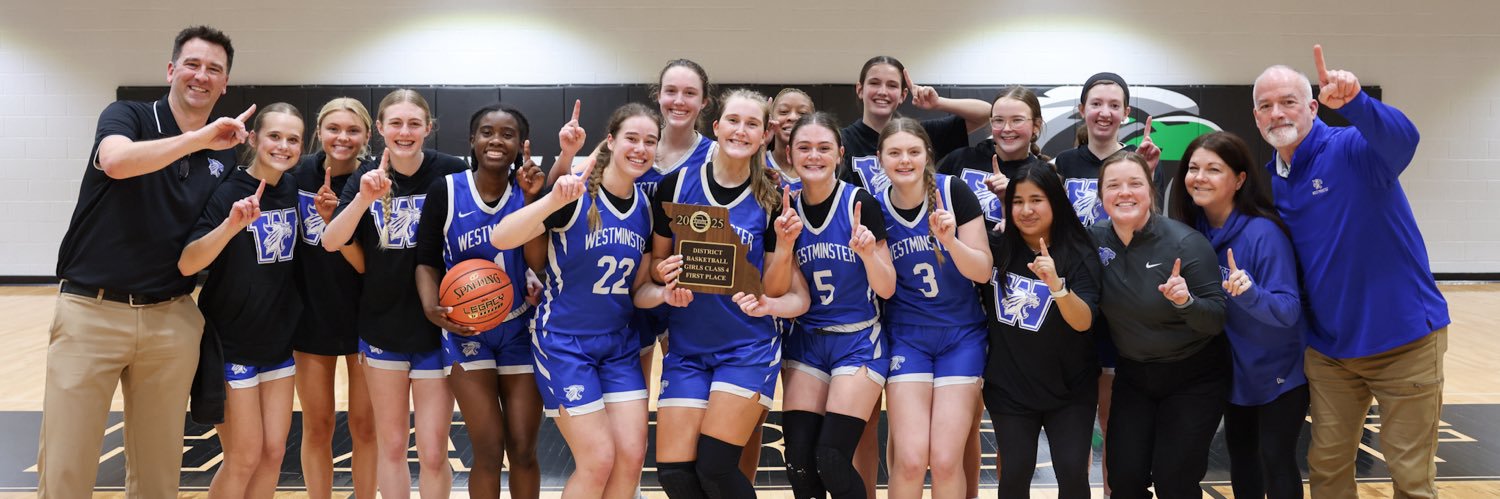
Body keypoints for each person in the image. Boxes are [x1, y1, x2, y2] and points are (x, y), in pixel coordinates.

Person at [41, 25, 250, 498]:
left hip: (171, 317)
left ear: (224, 84)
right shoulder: (128, 115)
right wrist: (197, 140)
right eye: (192, 65)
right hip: (91, 314)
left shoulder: (227, 154)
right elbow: (117, 162)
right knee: (66, 468)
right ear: (171, 70)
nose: (202, 76)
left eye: (214, 70)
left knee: (158, 475)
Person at [1253, 45, 1449, 499]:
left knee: (1411, 475)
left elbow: (1405, 139)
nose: (1277, 113)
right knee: (1326, 467)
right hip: (1330, 352)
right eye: (1266, 106)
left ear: (1313, 107)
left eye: (1288, 102)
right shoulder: (1277, 178)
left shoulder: (1353, 149)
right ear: (1256, 116)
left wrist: (1359, 102)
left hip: (1404, 343)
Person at [494, 102, 678, 499]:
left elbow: (638, 291)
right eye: (631, 138)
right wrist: (551, 200)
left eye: (650, 141)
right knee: (597, 460)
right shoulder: (574, 193)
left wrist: (666, 294)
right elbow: (502, 237)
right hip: (564, 342)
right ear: (610, 141)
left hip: (618, 345)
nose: (640, 148)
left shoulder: (646, 209)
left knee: (631, 457)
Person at [649, 88, 809, 499]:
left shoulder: (774, 196)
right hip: (687, 348)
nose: (741, 131)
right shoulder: (676, 184)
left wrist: (787, 245)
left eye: (752, 124)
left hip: (747, 347)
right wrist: (664, 272)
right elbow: (655, 263)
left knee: (716, 469)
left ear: (766, 134)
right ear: (716, 127)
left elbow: (774, 289)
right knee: (675, 474)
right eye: (733, 121)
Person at [321, 89, 469, 499]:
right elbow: (332, 241)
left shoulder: (452, 171)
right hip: (382, 326)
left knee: (435, 451)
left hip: (436, 327)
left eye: (414, 123)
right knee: (392, 447)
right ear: (381, 129)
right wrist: (363, 199)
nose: (405, 132)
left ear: (428, 128)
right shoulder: (365, 176)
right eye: (396, 124)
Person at [412, 103, 548, 499]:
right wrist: (429, 308)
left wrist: (533, 200)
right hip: (466, 328)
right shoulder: (448, 189)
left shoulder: (529, 192)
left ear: (522, 146)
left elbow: (537, 262)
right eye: (487, 132)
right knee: (487, 450)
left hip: (519, 326)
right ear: (472, 140)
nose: (496, 140)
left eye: (507, 134)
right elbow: (426, 259)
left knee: (523, 449)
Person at [1169, 131, 1308, 499]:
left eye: (1213, 169)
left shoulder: (1263, 232)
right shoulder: (1191, 229)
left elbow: (1289, 311)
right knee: (1242, 459)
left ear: (1240, 179)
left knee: (1275, 459)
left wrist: (1249, 294)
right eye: (1193, 168)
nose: (1199, 177)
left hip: (1277, 371)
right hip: (1230, 370)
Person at [178, 102, 306, 499]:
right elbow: (187, 263)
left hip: (278, 343)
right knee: (244, 456)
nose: (282, 146)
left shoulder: (294, 188)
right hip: (230, 342)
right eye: (274, 136)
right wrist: (231, 226)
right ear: (253, 138)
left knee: (272, 453)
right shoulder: (227, 192)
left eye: (293, 139)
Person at [1088, 151, 1228, 499]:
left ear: (1150, 191)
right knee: (1124, 480)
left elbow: (1215, 319)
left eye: (1135, 183)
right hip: (1134, 376)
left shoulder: (1186, 244)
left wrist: (1186, 302)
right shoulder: (1093, 240)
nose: (1124, 192)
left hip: (1193, 376)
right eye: (1113, 185)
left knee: (1174, 481)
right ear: (1100, 194)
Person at [770, 112, 894, 499]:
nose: (814, 156)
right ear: (789, 153)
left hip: (858, 341)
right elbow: (773, 290)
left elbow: (887, 288)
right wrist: (785, 247)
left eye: (824, 148)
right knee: (800, 461)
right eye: (804, 148)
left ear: (839, 154)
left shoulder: (861, 204)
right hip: (806, 341)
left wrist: (870, 254)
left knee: (832, 457)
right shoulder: (784, 207)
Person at [874, 118, 992, 499]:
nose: (904, 160)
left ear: (927, 155)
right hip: (908, 339)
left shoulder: (954, 192)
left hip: (961, 337)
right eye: (894, 152)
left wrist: (951, 242)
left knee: (944, 460)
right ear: (880, 159)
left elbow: (983, 270)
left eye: (913, 151)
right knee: (909, 459)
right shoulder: (874, 207)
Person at [981, 164, 1101, 499]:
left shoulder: (1080, 250)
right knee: (1015, 470)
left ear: (1056, 202)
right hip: (1010, 387)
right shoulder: (996, 247)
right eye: (1017, 201)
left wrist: (1057, 286)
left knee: (1072, 472)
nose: (1026, 209)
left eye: (1036, 199)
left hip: (1071, 389)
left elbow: (1083, 321)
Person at [291, 97, 377, 499]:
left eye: (353, 130)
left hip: (365, 315)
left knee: (364, 425)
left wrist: (333, 225)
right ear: (319, 132)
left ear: (367, 135)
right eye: (334, 129)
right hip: (311, 314)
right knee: (318, 424)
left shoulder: (374, 183)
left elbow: (365, 265)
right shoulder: (294, 175)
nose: (343, 138)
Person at [939, 85, 1053, 228]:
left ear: (1036, 125)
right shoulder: (960, 159)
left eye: (1017, 120)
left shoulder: (1044, 176)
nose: (1006, 128)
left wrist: (1012, 195)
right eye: (999, 120)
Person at [767, 88, 814, 191]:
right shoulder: (755, 162)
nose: (793, 117)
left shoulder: (820, 165)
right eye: (783, 112)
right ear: (771, 118)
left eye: (802, 113)